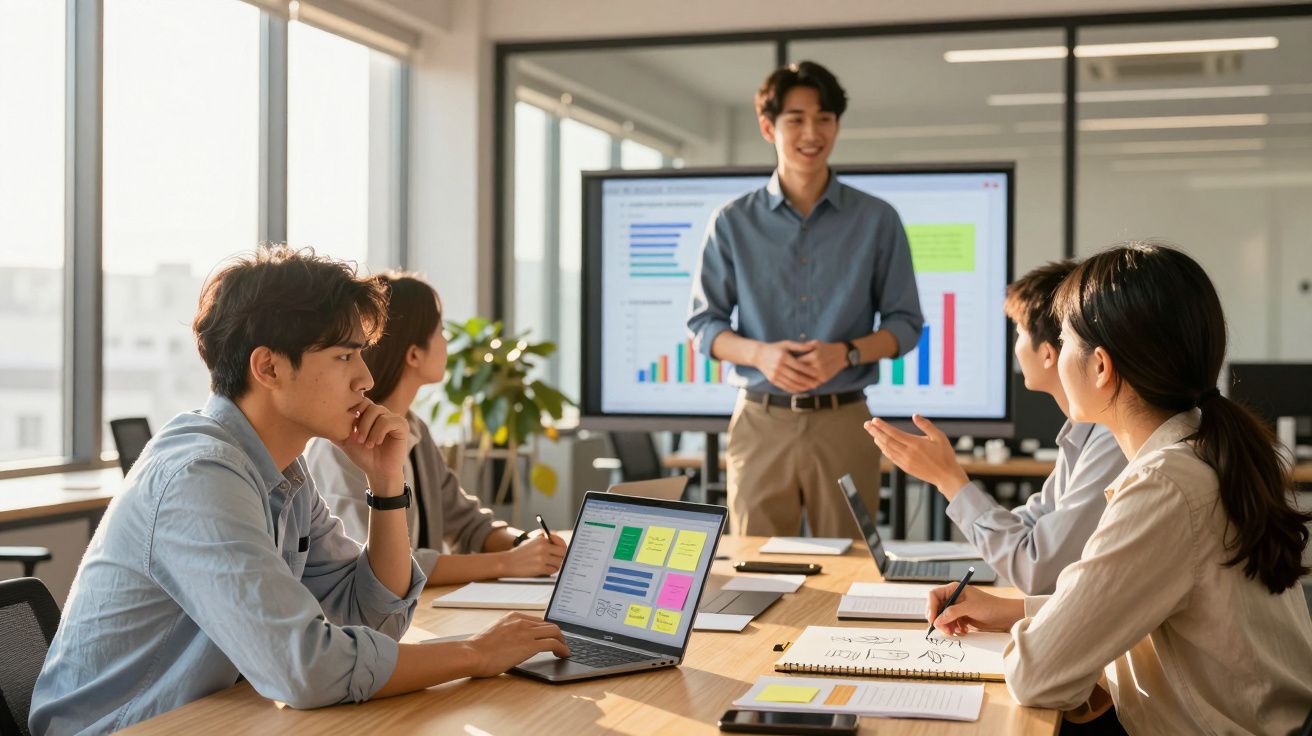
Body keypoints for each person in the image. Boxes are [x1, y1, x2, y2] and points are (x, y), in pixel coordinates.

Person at [30, 247, 567, 735]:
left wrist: (386, 484)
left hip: (216, 717)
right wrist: (474, 653)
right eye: (344, 357)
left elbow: (371, 617)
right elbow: (306, 667)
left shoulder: (284, 472)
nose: (365, 379)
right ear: (268, 367)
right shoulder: (200, 476)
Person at [922, 243, 1312, 734]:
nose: (1056, 354)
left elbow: (1036, 674)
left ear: (1101, 367)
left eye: (1064, 340)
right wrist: (1016, 611)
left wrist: (1038, 632)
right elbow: (1134, 597)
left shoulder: (1164, 486)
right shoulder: (1199, 451)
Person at [687, 61, 923, 537]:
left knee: (852, 562)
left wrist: (847, 352)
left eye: (824, 119)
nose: (812, 133)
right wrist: (761, 354)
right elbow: (704, 327)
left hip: (845, 419)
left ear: (837, 125)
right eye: (796, 119)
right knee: (753, 563)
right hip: (760, 420)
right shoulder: (732, 221)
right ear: (768, 127)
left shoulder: (877, 219)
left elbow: (905, 324)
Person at [864, 260, 1126, 594]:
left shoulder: (1110, 438)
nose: (1014, 347)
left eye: (1018, 333)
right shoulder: (1083, 430)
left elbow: (1038, 568)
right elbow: (1034, 525)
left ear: (1049, 353)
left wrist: (949, 479)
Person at [304, 272, 566, 584]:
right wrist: (507, 563)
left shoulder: (415, 430)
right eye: (440, 331)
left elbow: (466, 522)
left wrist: (524, 543)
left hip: (420, 605)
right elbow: (374, 564)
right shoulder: (342, 445)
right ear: (414, 354)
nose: (447, 342)